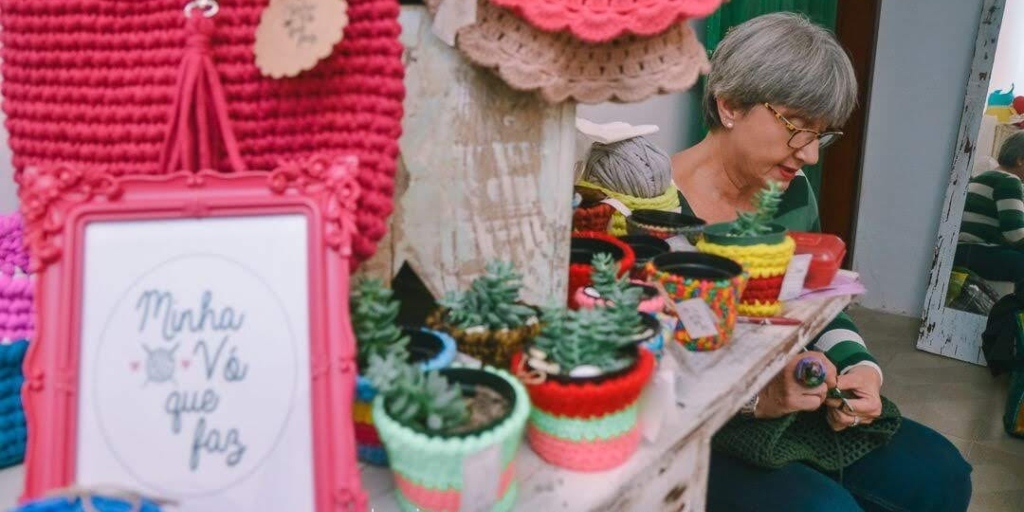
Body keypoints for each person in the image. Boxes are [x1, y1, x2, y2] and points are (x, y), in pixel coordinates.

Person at [671, 13, 972, 512]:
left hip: (794, 398)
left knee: (940, 474)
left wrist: (861, 369)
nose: (810, 154)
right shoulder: (649, 208)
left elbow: (818, 301)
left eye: (822, 134)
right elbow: (648, 367)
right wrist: (758, 400)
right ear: (729, 105)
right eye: (797, 126)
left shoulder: (791, 193)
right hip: (699, 424)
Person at [954, 131, 1024, 293]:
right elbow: (1015, 234)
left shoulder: (983, 177)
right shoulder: (1009, 181)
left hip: (962, 251)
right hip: (981, 253)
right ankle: (1013, 315)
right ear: (1020, 160)